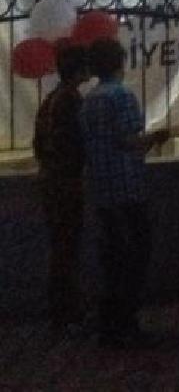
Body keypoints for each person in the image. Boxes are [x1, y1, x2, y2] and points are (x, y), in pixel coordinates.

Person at [79, 37, 170, 348]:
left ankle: (110, 322)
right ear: (121, 62)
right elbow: (129, 140)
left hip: (102, 188)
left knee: (112, 258)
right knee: (135, 255)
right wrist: (154, 138)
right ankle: (126, 321)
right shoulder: (122, 95)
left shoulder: (89, 100)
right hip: (127, 187)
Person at [33, 42, 90, 331]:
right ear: (79, 70)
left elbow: (39, 144)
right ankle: (66, 311)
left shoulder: (52, 99)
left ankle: (62, 310)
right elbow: (76, 144)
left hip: (51, 179)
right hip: (65, 182)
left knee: (61, 246)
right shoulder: (70, 100)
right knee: (67, 247)